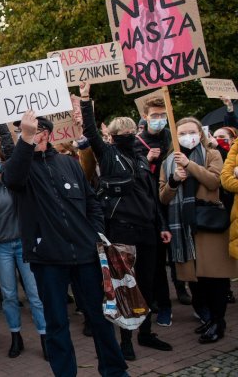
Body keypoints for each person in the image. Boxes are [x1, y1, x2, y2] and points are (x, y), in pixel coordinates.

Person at [2, 110, 128, 377]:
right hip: (47, 259)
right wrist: (24, 139)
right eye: (20, 132)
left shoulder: (68, 163)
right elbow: (12, 178)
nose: (23, 136)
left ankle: (114, 371)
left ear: (45, 134)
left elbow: (92, 202)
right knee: (57, 323)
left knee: (100, 319)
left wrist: (93, 234)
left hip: (85, 256)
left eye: (30, 130)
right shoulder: (21, 167)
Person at [79, 82, 172, 360]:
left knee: (147, 283)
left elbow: (151, 195)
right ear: (114, 136)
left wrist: (162, 225)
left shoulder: (141, 156)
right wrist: (85, 99)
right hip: (121, 230)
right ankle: (126, 340)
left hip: (148, 229)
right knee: (124, 285)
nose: (130, 133)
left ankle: (146, 333)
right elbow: (90, 132)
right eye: (124, 131)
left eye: (133, 129)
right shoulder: (108, 155)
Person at [159, 117, 238, 343]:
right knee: (198, 279)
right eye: (182, 133)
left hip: (209, 224)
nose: (188, 136)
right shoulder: (169, 161)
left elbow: (215, 181)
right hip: (184, 226)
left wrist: (189, 165)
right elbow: (163, 196)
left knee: (216, 278)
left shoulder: (212, 154)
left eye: (191, 132)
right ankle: (209, 318)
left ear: (200, 134)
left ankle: (218, 320)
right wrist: (174, 180)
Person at [0, 145, 47, 360]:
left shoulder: (15, 181)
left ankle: (45, 337)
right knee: (9, 296)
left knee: (34, 295)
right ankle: (16, 336)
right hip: (1, 247)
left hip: (23, 244)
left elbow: (19, 155)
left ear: (3, 160)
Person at [135, 97, 191, 316]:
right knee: (157, 258)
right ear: (145, 116)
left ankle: (181, 288)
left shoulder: (171, 138)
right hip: (151, 205)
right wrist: (146, 160)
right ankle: (158, 297)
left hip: (173, 200)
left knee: (178, 250)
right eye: (155, 115)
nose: (159, 119)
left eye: (162, 115)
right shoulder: (137, 143)